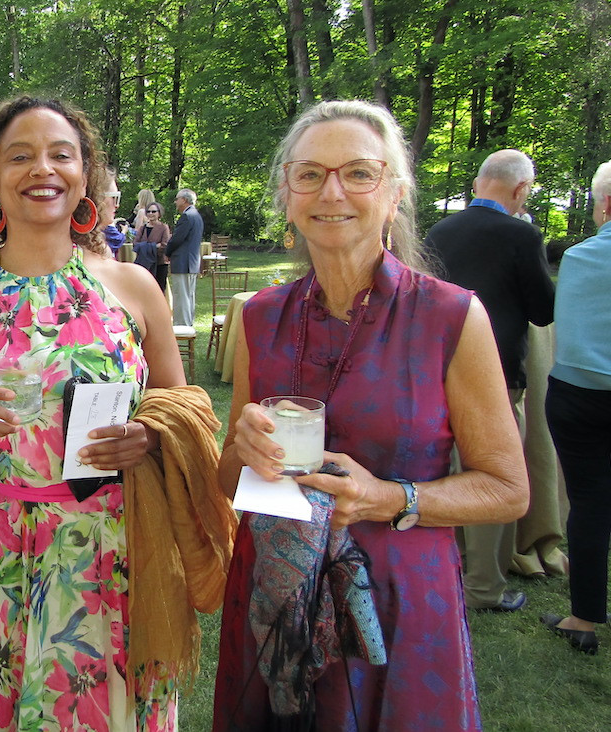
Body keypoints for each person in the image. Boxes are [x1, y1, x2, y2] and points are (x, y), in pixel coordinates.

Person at [0, 95, 227, 731]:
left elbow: (186, 404)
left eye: (61, 155)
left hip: (108, 552)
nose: (42, 170)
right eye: (19, 157)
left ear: (85, 176)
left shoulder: (132, 286)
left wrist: (148, 433)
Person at [213, 100, 528, 730]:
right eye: (310, 175)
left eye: (358, 172)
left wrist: (387, 496)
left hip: (397, 598)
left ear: (394, 193)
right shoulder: (259, 318)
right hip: (276, 597)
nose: (332, 192)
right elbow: (231, 482)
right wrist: (240, 453)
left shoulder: (449, 317)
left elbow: (507, 489)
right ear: (287, 194)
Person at [424, 149, 557, 613]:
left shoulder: (440, 231)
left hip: (437, 368)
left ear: (479, 183)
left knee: (447, 468)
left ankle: (450, 563)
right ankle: (484, 586)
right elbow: (544, 311)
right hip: (497, 374)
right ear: (521, 189)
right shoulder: (521, 235)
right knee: (493, 476)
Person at [540, 159, 611, 655]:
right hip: (581, 391)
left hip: (578, 394)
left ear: (604, 204)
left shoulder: (581, 257)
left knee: (588, 502)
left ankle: (583, 617)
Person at [166, 188, 202, 327]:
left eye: (177, 199)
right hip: (191, 262)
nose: (175, 202)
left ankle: (182, 326)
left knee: (182, 297)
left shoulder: (187, 216)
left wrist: (167, 252)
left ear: (184, 200)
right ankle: (188, 323)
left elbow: (176, 240)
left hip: (183, 262)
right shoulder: (196, 215)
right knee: (189, 296)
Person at [133, 201, 171, 293]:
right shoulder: (143, 228)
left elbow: (164, 245)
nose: (151, 214)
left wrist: (146, 246)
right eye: (148, 211)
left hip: (159, 264)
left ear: (159, 213)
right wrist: (153, 246)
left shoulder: (164, 227)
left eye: (153, 211)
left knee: (159, 291)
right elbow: (135, 244)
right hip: (144, 264)